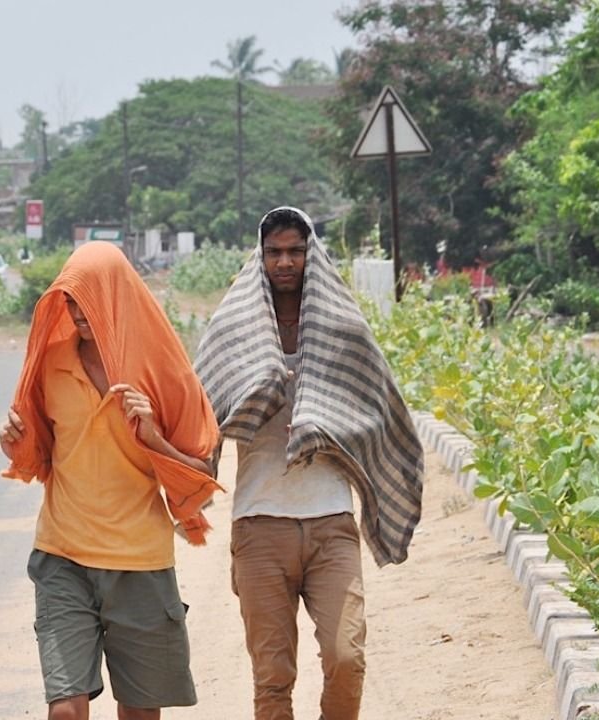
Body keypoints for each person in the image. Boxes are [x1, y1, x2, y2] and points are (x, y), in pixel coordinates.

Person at [193, 207, 424, 720]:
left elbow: (377, 407)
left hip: (330, 520)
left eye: (295, 251)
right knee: (273, 678)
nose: (285, 262)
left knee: (346, 657)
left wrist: (326, 423)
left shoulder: (342, 328)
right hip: (259, 524)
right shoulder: (233, 328)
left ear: (310, 253)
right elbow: (198, 410)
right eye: (274, 252)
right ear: (260, 256)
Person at [0, 241, 221, 720]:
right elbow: (36, 454)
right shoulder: (49, 362)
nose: (77, 312)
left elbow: (202, 476)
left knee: (140, 713)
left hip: (140, 562)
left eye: (89, 299)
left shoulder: (163, 370)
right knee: (65, 711)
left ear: (116, 297)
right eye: (70, 300)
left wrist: (156, 440)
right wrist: (12, 440)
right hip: (62, 556)